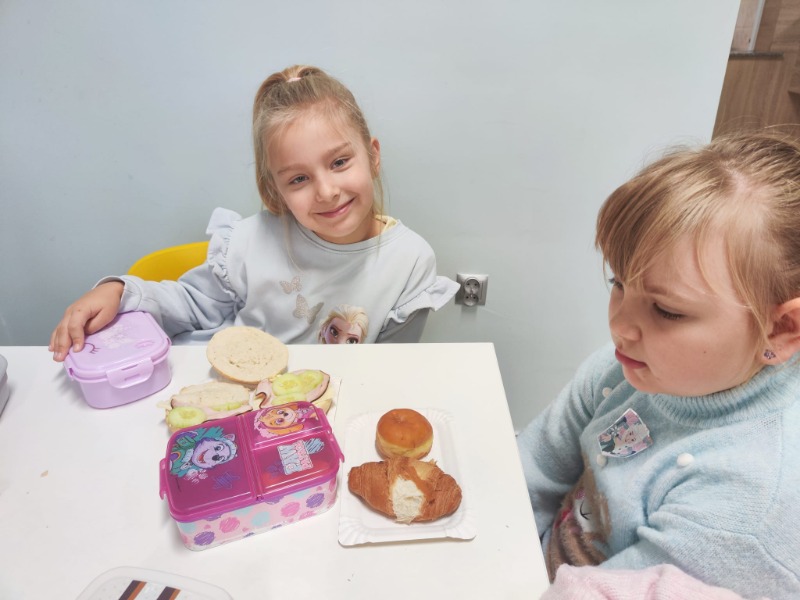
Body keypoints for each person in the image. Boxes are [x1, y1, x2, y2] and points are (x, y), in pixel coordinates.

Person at [517, 131, 800, 599]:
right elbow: (530, 471)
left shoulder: (749, 511)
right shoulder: (624, 371)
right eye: (619, 283)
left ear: (781, 329)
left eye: (667, 311)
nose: (620, 327)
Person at [49, 65, 458, 360]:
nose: (327, 191)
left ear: (372, 156)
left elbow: (392, 371)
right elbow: (190, 304)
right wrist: (119, 291)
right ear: (274, 190)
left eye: (339, 162)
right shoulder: (250, 240)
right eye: (299, 179)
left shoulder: (410, 262)